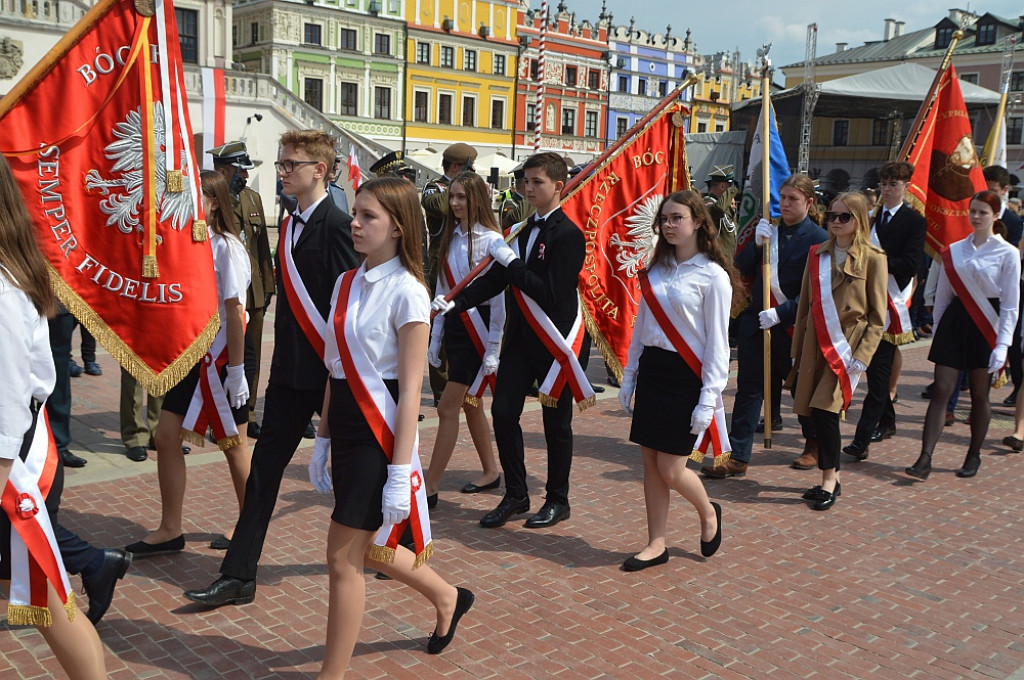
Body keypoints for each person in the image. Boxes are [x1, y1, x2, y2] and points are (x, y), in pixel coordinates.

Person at [183, 129, 358, 607]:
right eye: (281, 164)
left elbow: (347, 312)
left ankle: (396, 544)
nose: (281, 172)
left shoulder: (340, 226)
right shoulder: (290, 219)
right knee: (263, 473)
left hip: (328, 377)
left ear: (319, 171)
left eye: (290, 165)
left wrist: (337, 376)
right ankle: (239, 574)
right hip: (287, 376)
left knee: (353, 475)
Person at [308, 177, 474, 676]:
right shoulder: (345, 282)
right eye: (355, 213)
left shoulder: (409, 292)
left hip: (381, 437)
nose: (355, 224)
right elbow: (337, 368)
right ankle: (447, 596)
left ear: (398, 228)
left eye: (368, 216)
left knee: (343, 559)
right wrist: (321, 439)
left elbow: (409, 394)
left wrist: (402, 471)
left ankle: (330, 675)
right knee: (372, 551)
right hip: (347, 426)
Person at [433, 152, 592, 530]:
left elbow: (548, 293)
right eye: (526, 181)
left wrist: (511, 264)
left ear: (559, 185)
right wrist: (454, 303)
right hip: (521, 340)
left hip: (556, 342)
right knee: (503, 413)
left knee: (557, 424)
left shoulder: (568, 235)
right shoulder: (520, 228)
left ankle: (557, 499)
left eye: (538, 182)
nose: (529, 187)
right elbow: (494, 282)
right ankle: (517, 494)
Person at [0, 151, 108, 678]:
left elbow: (6, 395)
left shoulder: (1, 286)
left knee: (47, 600)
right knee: (41, 596)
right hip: (14, 456)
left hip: (11, 467)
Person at [127, 170, 253, 557]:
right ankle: (170, 528)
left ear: (214, 202)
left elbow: (234, 310)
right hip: (189, 355)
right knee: (166, 437)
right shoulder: (183, 241)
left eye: (195, 196)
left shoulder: (226, 247)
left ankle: (250, 524)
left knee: (233, 444)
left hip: (221, 356)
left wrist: (236, 369)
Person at [617, 190, 734, 570]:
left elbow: (719, 343)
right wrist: (630, 374)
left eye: (676, 218)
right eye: (664, 219)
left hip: (688, 377)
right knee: (650, 464)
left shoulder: (713, 276)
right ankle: (656, 542)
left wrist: (709, 398)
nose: (668, 225)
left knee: (672, 469)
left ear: (698, 222)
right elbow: (642, 327)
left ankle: (708, 512)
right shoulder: (656, 270)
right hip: (654, 370)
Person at [703, 174, 827, 479]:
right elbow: (739, 268)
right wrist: (756, 245)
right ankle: (738, 456)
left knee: (801, 389)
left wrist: (782, 312)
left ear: (809, 203)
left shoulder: (819, 238)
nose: (784, 204)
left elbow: (817, 290)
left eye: (792, 199)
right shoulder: (767, 231)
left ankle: (814, 445)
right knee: (748, 390)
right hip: (756, 324)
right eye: (782, 198)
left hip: (791, 328)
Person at [908, 190, 1020, 481]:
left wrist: (1003, 345)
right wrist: (939, 328)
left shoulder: (1008, 253)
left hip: (988, 324)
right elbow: (943, 296)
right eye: (973, 211)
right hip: (956, 322)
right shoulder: (955, 249)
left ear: (996, 215)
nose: (976, 216)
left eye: (983, 212)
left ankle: (974, 453)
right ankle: (925, 457)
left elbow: (1010, 304)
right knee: (942, 389)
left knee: (980, 394)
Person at [789, 193, 887, 510]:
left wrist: (863, 355)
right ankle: (833, 476)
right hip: (815, 342)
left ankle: (828, 480)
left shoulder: (874, 258)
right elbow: (805, 305)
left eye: (844, 216)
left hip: (846, 346)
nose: (836, 221)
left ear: (859, 219)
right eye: (832, 215)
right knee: (813, 412)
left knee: (826, 412)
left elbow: (877, 317)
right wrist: (797, 352)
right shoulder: (817, 254)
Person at [423, 171, 503, 508]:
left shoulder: (491, 241)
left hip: (480, 329)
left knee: (447, 406)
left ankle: (430, 484)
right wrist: (435, 335)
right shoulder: (451, 237)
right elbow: (444, 290)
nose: (454, 203)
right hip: (456, 327)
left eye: (461, 197)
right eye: (452, 197)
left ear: (477, 200)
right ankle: (490, 470)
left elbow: (499, 300)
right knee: (471, 403)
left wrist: (494, 347)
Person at [843, 161, 926, 461]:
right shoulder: (871, 218)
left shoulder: (914, 221)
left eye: (894, 184)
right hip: (867, 301)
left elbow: (912, 264)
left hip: (890, 306)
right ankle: (888, 422)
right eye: (885, 184)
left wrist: (877, 262)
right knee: (875, 373)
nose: (888, 189)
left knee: (877, 377)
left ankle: (861, 440)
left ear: (906, 187)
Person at [209, 141, 276, 441]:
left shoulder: (252, 199)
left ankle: (247, 413)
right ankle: (216, 416)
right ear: (222, 171)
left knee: (251, 356)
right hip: (223, 296)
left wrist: (269, 287)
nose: (245, 177)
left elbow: (262, 248)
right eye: (239, 171)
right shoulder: (213, 202)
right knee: (221, 355)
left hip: (255, 292)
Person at [421, 143, 478, 404]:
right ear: (456, 167)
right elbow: (440, 207)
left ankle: (460, 380)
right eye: (469, 167)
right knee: (439, 330)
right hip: (440, 268)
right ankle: (441, 389)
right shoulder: (434, 188)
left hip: (464, 264)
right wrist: (460, 186)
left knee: (463, 324)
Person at [703, 165, 739, 259]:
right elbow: (718, 209)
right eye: (730, 185)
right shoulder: (707, 203)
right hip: (715, 261)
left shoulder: (725, 205)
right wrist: (732, 190)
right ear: (722, 186)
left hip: (728, 260)